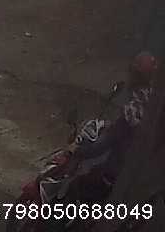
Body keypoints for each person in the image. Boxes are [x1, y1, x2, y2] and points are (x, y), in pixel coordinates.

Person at [68, 51, 159, 200]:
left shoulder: (132, 113)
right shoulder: (152, 109)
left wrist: (76, 150)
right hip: (138, 184)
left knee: (73, 189)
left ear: (135, 75)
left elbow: (100, 147)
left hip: (113, 179)